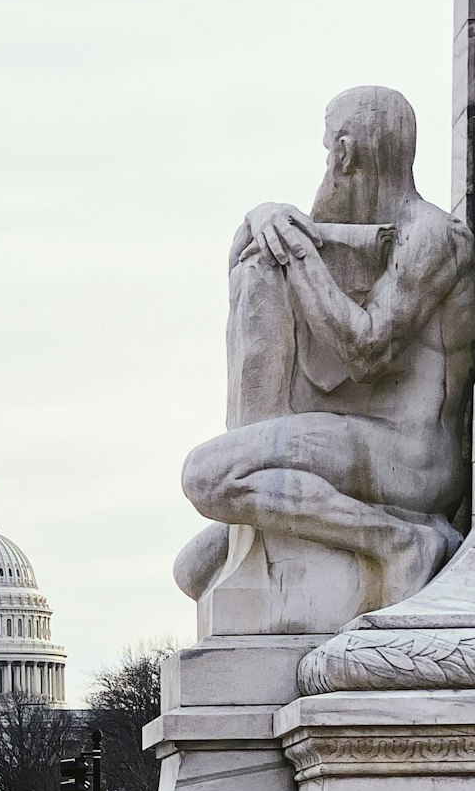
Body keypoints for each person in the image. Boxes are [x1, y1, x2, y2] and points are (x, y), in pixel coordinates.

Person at [176, 87, 475, 609]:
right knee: (195, 568)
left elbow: (367, 351)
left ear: (344, 152)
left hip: (414, 457)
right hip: (368, 445)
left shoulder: (433, 235)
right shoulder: (381, 236)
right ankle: (379, 535)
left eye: (326, 149)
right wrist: (262, 216)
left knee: (206, 475)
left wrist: (296, 252)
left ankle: (400, 541)